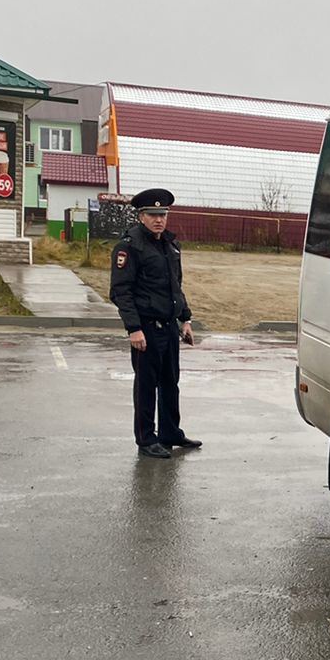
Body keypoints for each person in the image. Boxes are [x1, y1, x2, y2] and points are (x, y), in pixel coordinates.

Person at [109, 188, 202, 459]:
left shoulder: (170, 245)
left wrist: (185, 319)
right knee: (147, 385)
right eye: (153, 214)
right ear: (141, 216)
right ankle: (146, 438)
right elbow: (120, 291)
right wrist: (133, 328)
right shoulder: (130, 246)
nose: (159, 219)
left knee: (170, 382)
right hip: (146, 328)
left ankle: (170, 432)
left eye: (163, 214)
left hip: (169, 326)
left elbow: (176, 286)